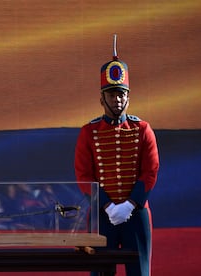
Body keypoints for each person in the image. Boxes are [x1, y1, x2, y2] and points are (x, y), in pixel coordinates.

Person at [74, 35, 159, 276]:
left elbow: (150, 171)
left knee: (139, 271)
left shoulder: (142, 129)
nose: (117, 99)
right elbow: (84, 174)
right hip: (103, 214)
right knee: (100, 271)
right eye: (112, 94)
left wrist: (131, 204)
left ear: (128, 97)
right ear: (102, 99)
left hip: (136, 212)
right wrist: (108, 206)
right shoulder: (88, 132)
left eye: (121, 94)